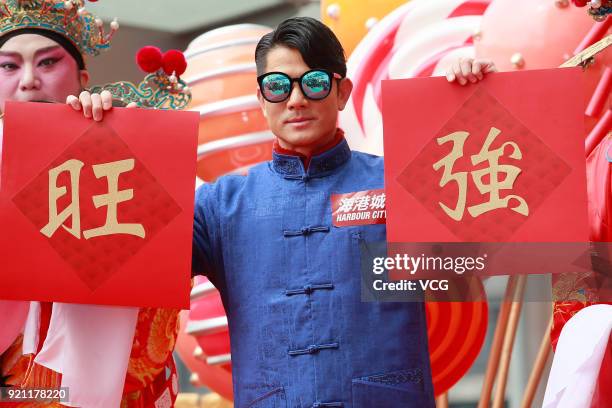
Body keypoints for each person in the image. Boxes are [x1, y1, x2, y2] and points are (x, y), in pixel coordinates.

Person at [74, 16, 495, 407]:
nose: (295, 100)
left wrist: (469, 100)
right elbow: (121, 259)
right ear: (260, 98)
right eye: (278, 86)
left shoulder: (401, 183)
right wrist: (100, 144)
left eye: (313, 82)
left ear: (342, 92)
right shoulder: (219, 205)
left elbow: (494, 230)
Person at [0, 2, 179, 407]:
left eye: (47, 62)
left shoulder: (119, 162)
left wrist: (125, 151)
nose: (28, 81)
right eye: (9, 66)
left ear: (82, 78)